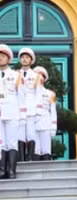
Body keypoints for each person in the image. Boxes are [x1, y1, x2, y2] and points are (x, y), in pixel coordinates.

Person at [0, 44, 21, 179]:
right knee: (1, 142)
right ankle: (2, 170)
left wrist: (23, 115)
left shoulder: (16, 75)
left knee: (12, 141)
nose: (0, 58)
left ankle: (12, 170)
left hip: (12, 110)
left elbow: (22, 95)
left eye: (3, 56)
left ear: (9, 59)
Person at [17, 47, 41, 162]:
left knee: (31, 133)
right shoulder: (15, 74)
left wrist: (38, 112)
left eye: (27, 57)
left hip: (31, 107)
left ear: (31, 60)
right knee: (20, 133)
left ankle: (30, 157)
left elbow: (38, 94)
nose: (24, 59)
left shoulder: (36, 76)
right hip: (18, 107)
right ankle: (21, 158)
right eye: (22, 57)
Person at [33, 66, 57, 160]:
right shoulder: (29, 93)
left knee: (46, 148)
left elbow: (53, 110)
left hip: (45, 122)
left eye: (40, 76)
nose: (38, 78)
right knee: (35, 149)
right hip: (33, 122)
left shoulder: (50, 93)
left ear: (44, 79)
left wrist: (53, 127)